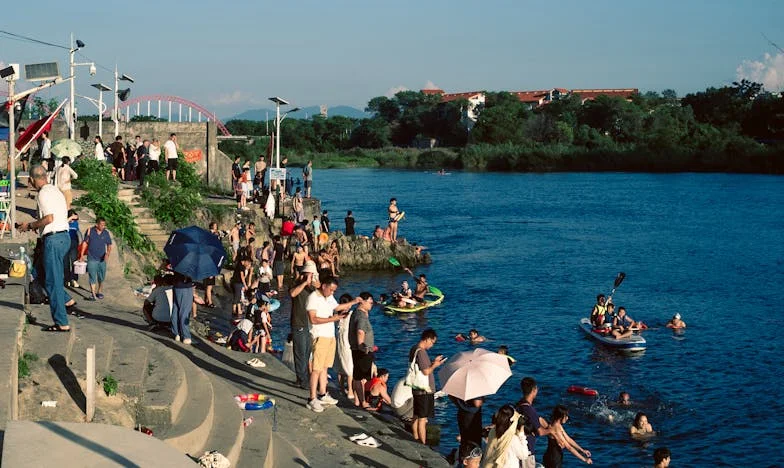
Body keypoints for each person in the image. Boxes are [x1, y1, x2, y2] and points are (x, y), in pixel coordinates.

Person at [18, 165, 77, 331]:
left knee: (53, 281)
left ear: (31, 179)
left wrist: (30, 225)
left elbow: (48, 218)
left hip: (53, 239)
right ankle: (66, 299)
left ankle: (61, 322)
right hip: (64, 237)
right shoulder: (56, 190)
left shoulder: (43, 194)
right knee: (39, 273)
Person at [305, 276, 360, 412]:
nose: (332, 293)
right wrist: (333, 319)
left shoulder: (328, 297)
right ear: (324, 286)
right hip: (319, 336)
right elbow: (313, 319)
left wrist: (353, 302)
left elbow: (337, 306)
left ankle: (323, 394)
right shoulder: (313, 298)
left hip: (330, 336)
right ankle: (312, 398)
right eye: (331, 290)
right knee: (316, 369)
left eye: (334, 291)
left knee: (324, 367)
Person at [409, 328, 446, 444]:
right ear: (427, 339)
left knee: (416, 415)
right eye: (432, 342)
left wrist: (433, 363)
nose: (432, 345)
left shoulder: (414, 349)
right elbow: (426, 371)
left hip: (416, 388)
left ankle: (415, 437)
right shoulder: (421, 352)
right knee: (422, 419)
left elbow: (421, 368)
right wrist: (435, 365)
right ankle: (422, 443)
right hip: (424, 390)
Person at [289, 261, 319, 389]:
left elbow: (324, 294)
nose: (311, 277)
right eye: (309, 274)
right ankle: (302, 380)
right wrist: (304, 282)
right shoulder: (297, 284)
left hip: (309, 324)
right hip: (298, 323)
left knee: (307, 354)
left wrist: (315, 284)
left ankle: (302, 378)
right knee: (300, 353)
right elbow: (292, 293)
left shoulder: (313, 288)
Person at [515, 377, 551, 468]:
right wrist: (553, 430)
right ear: (534, 390)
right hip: (527, 450)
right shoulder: (530, 410)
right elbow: (541, 432)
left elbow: (537, 419)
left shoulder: (519, 405)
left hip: (517, 446)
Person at [349, 292, 376, 407]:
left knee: (357, 375)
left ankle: (359, 400)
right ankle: (363, 401)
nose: (372, 305)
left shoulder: (356, 313)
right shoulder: (361, 316)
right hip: (362, 350)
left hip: (358, 349)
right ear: (363, 302)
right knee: (361, 377)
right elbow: (360, 331)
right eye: (370, 302)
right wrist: (362, 346)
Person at [80, 217, 112, 301]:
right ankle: (93, 294)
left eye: (104, 225)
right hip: (92, 258)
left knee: (101, 277)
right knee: (92, 276)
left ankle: (99, 291)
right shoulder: (90, 231)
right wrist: (81, 255)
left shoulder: (106, 233)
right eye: (101, 224)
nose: (103, 226)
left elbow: (109, 244)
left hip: (102, 259)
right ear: (96, 224)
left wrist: (107, 254)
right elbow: (85, 243)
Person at [450, 395, 484, 462]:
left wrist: (462, 405)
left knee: (464, 441)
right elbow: (477, 403)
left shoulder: (460, 385)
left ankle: (462, 461)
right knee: (474, 444)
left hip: (462, 413)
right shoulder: (475, 386)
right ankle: (473, 463)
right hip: (473, 416)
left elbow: (451, 397)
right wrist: (482, 400)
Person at [171, 271, 194, 344]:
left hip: (176, 285)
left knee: (176, 309)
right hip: (185, 285)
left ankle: (176, 333)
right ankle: (186, 336)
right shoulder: (189, 261)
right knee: (185, 311)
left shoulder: (176, 260)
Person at [65, 210, 81, 289]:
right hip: (66, 243)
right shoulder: (65, 223)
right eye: (72, 218)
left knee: (74, 262)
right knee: (66, 262)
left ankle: (74, 279)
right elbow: (64, 223)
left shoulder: (75, 223)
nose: (73, 220)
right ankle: (67, 279)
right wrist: (70, 218)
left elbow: (78, 233)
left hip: (74, 243)